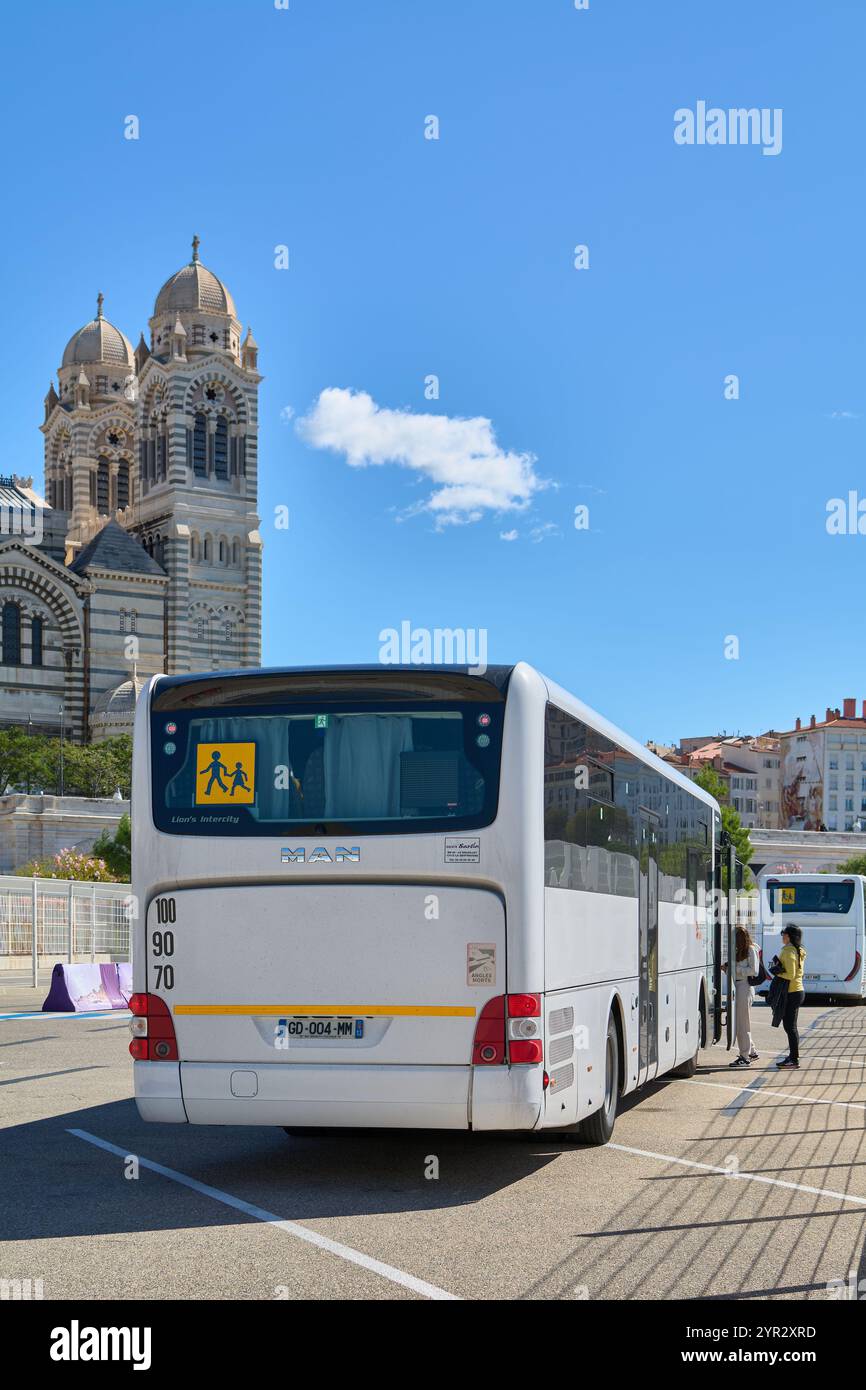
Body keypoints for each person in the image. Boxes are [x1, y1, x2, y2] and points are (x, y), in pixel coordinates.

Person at [724, 926, 760, 1068]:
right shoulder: (739, 950)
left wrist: (734, 969)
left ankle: (744, 1057)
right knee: (741, 1022)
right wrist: (727, 968)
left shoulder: (750, 949)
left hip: (744, 987)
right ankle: (751, 1052)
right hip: (738, 986)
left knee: (742, 1024)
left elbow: (754, 971)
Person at [772, 924, 806, 1069]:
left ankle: (794, 1059)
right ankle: (793, 1057)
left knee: (790, 1027)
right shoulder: (799, 950)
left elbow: (790, 975)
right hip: (797, 991)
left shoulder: (788, 951)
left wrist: (777, 971)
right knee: (791, 1026)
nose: (782, 936)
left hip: (791, 992)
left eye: (784, 934)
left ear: (790, 936)